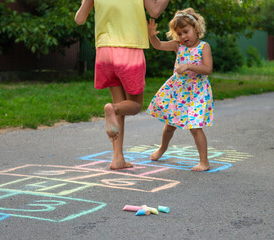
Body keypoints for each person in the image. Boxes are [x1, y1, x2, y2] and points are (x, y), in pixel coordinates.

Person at [75, 0, 170, 170]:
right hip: (129, 49)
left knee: (119, 104)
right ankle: (113, 109)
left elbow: (79, 19)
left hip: (104, 51)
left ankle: (117, 158)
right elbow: (155, 11)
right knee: (134, 105)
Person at [147, 8, 214, 171]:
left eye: (186, 31)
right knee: (169, 125)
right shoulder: (178, 46)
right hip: (178, 92)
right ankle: (162, 148)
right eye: (179, 33)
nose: (183, 36)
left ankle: (204, 162)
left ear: (196, 28)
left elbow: (207, 69)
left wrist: (189, 66)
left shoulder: (204, 47)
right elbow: (158, 45)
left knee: (195, 126)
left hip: (196, 92)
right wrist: (152, 36)